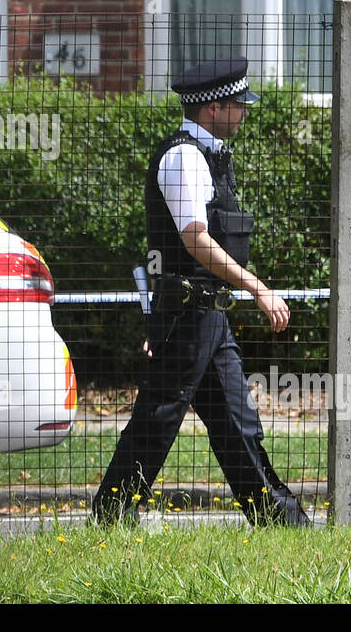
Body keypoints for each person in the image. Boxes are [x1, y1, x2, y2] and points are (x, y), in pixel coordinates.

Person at [91, 57, 310, 527]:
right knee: (159, 420)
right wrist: (258, 288)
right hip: (187, 318)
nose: (245, 113)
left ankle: (282, 522)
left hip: (209, 318)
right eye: (238, 104)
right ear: (212, 108)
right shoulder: (185, 157)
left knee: (238, 424)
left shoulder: (210, 156)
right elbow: (195, 239)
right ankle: (109, 518)